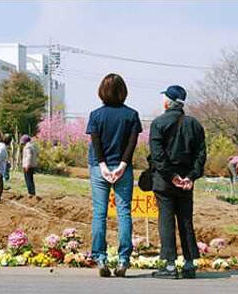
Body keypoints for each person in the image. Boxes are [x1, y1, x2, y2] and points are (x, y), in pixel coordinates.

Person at [86, 73, 142, 277]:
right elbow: (132, 143)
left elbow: (96, 142)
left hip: (99, 168)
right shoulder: (132, 115)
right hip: (123, 169)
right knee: (124, 212)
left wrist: (102, 165)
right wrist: (123, 165)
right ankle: (124, 258)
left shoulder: (96, 115)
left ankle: (100, 257)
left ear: (102, 91)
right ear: (123, 91)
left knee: (99, 213)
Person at [149, 85, 206, 279]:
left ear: (168, 101)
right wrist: (190, 176)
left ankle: (170, 265)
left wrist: (172, 175)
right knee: (185, 220)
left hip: (165, 182)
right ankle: (189, 264)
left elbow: (158, 156)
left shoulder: (158, 123)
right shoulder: (195, 124)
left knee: (166, 220)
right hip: (186, 183)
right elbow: (201, 155)